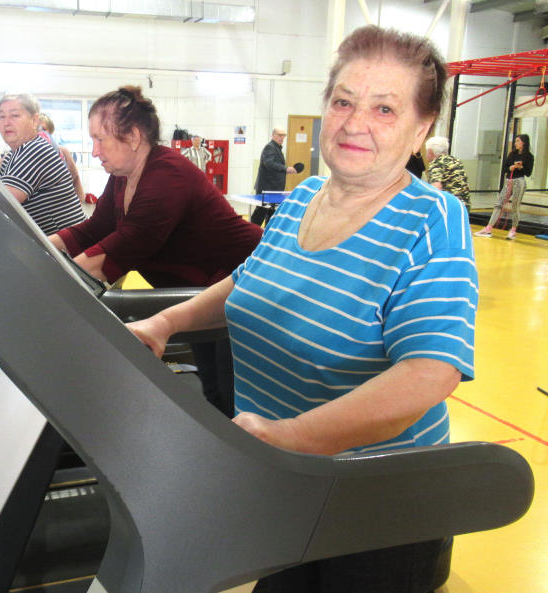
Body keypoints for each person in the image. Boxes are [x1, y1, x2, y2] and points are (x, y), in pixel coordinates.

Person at [128, 26, 477, 593]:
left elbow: (429, 373)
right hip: (285, 484)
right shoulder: (303, 198)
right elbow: (247, 281)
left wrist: (291, 437)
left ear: (421, 129)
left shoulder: (431, 221)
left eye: (385, 109)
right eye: (343, 101)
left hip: (375, 506)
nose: (355, 123)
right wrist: (165, 322)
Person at [48, 85, 263, 416]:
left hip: (244, 283)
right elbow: (93, 228)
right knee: (212, 387)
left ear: (133, 137)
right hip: (199, 290)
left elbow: (120, 249)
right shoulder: (123, 176)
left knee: (230, 391)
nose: (94, 151)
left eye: (100, 139)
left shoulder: (167, 176)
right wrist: (39, 246)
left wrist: (51, 284)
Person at [0, 94, 86, 235]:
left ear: (34, 120)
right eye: (2, 116)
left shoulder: (36, 150)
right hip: (51, 242)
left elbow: (0, 202)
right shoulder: (14, 154)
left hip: (67, 246)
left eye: (14, 115)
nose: (6, 122)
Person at [474, 133, 534, 240]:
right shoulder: (512, 154)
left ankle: (513, 230)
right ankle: (488, 228)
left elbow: (528, 173)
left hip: (519, 181)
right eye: (515, 141)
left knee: (515, 206)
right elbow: (505, 168)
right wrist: (510, 168)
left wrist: (520, 168)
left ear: (523, 143)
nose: (515, 143)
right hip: (509, 181)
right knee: (499, 203)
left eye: (518, 141)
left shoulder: (529, 157)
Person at [251, 127, 298, 226]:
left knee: (271, 214)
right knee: (260, 214)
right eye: (279, 135)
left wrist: (285, 170)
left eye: (283, 135)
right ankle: (250, 233)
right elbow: (269, 163)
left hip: (273, 189)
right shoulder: (270, 147)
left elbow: (274, 166)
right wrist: (285, 169)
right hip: (267, 189)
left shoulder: (277, 148)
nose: (282, 137)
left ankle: (267, 233)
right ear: (273, 135)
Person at [38, 113, 86, 203]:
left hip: (62, 202)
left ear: (50, 131)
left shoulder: (63, 152)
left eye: (43, 129)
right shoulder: (28, 153)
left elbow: (75, 177)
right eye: (36, 129)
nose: (40, 133)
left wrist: (79, 201)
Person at [425, 136, 470, 209]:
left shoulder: (437, 163)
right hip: (464, 205)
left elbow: (436, 187)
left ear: (430, 151)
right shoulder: (455, 161)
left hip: (449, 206)